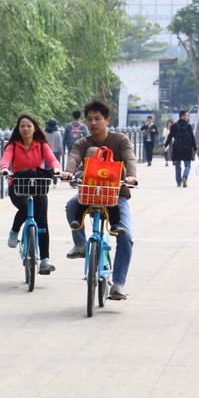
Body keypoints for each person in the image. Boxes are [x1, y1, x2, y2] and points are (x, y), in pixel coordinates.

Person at [60, 100, 138, 301]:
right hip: (89, 193)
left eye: (97, 119)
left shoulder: (120, 140)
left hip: (115, 195)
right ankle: (80, 244)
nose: (93, 123)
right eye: (89, 119)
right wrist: (68, 172)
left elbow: (129, 158)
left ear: (107, 120)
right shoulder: (82, 143)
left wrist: (131, 175)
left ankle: (118, 283)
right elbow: (74, 157)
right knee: (72, 205)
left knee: (126, 237)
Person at [0, 113, 61, 275]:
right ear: (18, 129)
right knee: (25, 208)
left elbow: (52, 159)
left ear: (34, 128)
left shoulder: (41, 145)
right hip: (18, 185)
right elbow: (6, 159)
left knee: (43, 222)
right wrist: (4, 169)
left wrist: (56, 169)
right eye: (22, 126)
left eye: (28, 126)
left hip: (37, 185)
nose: (25, 129)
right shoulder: (13, 146)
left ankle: (45, 260)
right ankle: (14, 230)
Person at [164, 110, 196, 188]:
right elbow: (192, 137)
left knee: (177, 165)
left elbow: (170, 136)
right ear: (182, 116)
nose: (187, 117)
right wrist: (195, 148)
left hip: (177, 148)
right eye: (186, 115)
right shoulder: (188, 126)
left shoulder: (174, 126)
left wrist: (165, 144)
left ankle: (178, 182)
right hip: (187, 148)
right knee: (188, 165)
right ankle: (184, 177)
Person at [44, 118, 64, 187]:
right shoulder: (58, 133)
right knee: (55, 168)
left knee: (46, 168)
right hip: (56, 153)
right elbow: (60, 145)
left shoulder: (44, 133)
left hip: (46, 153)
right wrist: (62, 152)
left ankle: (46, 182)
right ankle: (55, 183)